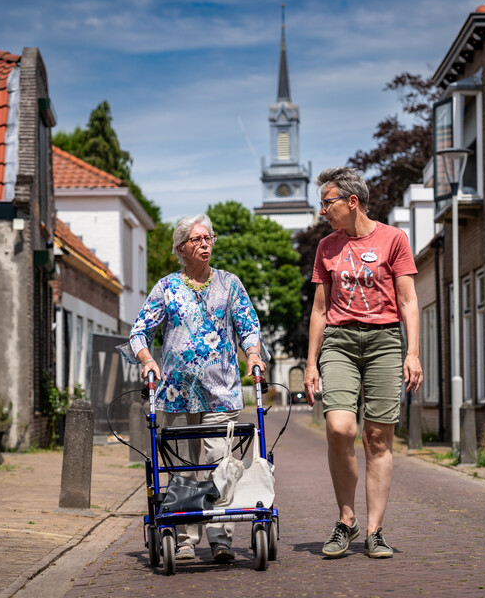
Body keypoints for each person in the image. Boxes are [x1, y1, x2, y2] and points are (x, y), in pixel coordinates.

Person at [123, 214, 268, 564]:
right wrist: (146, 359)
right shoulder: (167, 287)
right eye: (196, 239)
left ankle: (221, 537)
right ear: (180, 249)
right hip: (176, 394)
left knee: (220, 461)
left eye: (208, 238)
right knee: (182, 466)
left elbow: (248, 326)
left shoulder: (230, 284)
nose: (205, 244)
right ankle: (186, 539)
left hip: (221, 391)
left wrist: (252, 354)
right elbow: (139, 331)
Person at [304, 167, 423, 559]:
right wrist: (311, 364)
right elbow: (319, 309)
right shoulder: (327, 248)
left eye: (328, 202)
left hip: (384, 341)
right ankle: (346, 519)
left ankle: (374, 530)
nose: (322, 210)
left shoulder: (393, 239)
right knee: (340, 428)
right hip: (339, 340)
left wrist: (413, 353)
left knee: (377, 438)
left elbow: (408, 301)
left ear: (352, 202)